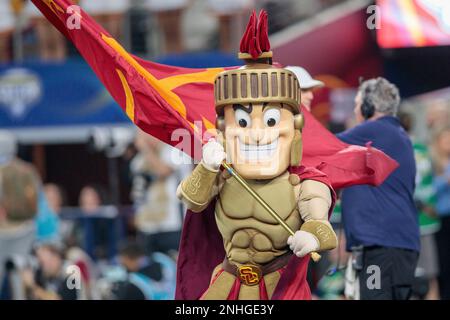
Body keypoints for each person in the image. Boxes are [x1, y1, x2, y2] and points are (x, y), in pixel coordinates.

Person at [176, 11, 338, 300]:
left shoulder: (304, 181)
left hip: (279, 283)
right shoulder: (223, 174)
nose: (258, 133)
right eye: (242, 121)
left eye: (272, 120)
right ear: (225, 127)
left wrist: (311, 235)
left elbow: (322, 224)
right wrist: (206, 166)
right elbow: (190, 200)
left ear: (295, 126)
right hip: (229, 281)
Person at [337, 77, 420, 300]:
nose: (355, 110)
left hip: (381, 248)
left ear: (368, 106)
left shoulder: (374, 131)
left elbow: (325, 145)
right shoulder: (397, 135)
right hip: (398, 246)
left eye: (356, 104)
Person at [399, 112, 440, 300]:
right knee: (429, 275)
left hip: (404, 222)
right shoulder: (423, 149)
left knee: (407, 276)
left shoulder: (398, 149)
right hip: (426, 219)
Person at [131, 130, 191, 257]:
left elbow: (163, 170)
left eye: (146, 132)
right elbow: (138, 189)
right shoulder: (141, 158)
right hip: (148, 226)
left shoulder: (176, 150)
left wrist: (145, 148)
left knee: (175, 266)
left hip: (173, 224)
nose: (144, 137)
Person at [0, 130, 39, 297]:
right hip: (24, 229)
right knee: (18, 276)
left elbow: (35, 203)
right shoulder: (28, 170)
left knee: (20, 275)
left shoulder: (25, 171)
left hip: (18, 231)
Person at [431, 126, 450, 300]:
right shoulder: (433, 164)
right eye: (445, 140)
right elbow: (428, 190)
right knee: (443, 260)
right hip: (440, 219)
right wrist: (444, 180)